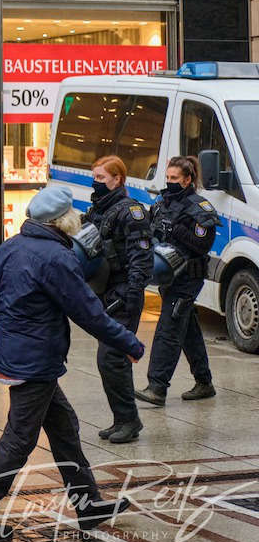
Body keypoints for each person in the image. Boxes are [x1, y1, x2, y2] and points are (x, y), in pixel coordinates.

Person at [0, 186, 145, 541]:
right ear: (63, 220)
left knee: (63, 428)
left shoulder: (11, 245)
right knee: (18, 441)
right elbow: (89, 313)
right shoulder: (56, 258)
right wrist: (129, 343)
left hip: (17, 353)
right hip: (35, 361)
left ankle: (88, 504)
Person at [136, 156, 221, 406]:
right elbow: (152, 232)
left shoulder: (200, 208)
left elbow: (202, 244)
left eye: (175, 178)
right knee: (187, 329)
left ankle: (157, 387)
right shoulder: (162, 203)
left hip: (188, 277)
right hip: (168, 275)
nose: (170, 182)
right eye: (168, 178)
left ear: (188, 179)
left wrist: (176, 230)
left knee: (168, 329)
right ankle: (204, 382)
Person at [83, 156, 152, 443]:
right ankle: (121, 419)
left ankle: (129, 420)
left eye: (101, 178)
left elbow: (141, 260)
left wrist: (132, 297)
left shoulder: (130, 212)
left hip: (123, 294)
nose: (95, 182)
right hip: (105, 292)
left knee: (112, 357)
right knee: (109, 359)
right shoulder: (99, 209)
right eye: (95, 177)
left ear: (117, 179)